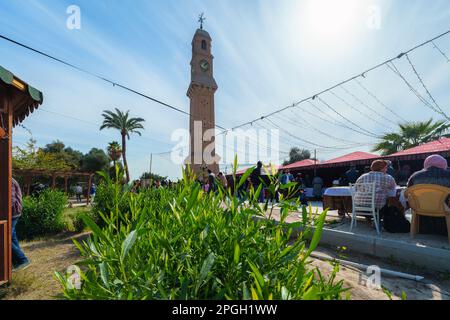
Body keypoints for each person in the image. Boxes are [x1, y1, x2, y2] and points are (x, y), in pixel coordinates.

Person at [406, 155, 450, 235]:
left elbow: (408, 192)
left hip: (421, 210)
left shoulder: (415, 176)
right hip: (446, 210)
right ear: (444, 164)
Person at [12, 178, 30, 271]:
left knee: (5, 237)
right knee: (11, 237)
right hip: (13, 213)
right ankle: (17, 261)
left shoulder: (9, 180)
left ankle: (23, 260)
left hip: (12, 213)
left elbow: (11, 200)